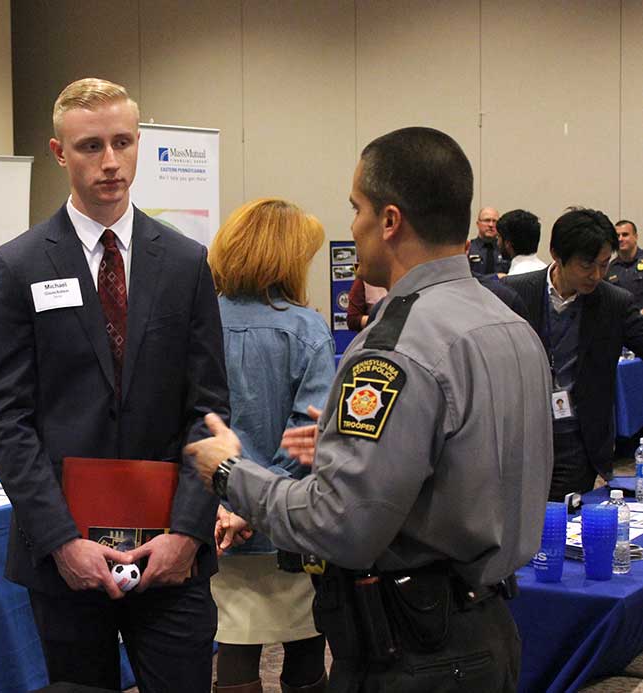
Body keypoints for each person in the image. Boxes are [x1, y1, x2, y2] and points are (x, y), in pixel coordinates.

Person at [187, 127, 553, 692]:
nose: (351, 227)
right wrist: (343, 445)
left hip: (414, 649)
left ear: (389, 221)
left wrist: (231, 474)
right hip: (488, 628)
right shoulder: (509, 324)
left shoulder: (397, 346)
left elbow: (341, 525)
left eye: (355, 209)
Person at [0, 77, 229, 691]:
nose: (110, 162)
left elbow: (210, 410)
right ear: (60, 152)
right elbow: (6, 418)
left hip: (172, 553)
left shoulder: (186, 262)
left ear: (139, 143)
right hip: (67, 559)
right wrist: (62, 540)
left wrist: (189, 534)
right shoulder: (20, 266)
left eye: (122, 142)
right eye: (91, 146)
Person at [206, 198, 332, 693]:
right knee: (304, 654)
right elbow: (309, 437)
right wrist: (256, 507)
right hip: (291, 523)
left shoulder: (197, 324)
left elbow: (186, 428)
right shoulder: (308, 330)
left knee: (233, 656)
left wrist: (227, 506)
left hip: (215, 527)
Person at [505, 208, 643, 501]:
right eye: (587, 265)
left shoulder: (615, 302)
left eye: (604, 265)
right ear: (557, 254)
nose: (596, 275)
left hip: (577, 438)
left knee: (560, 523)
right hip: (521, 434)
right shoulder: (513, 293)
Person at [606, 219, 643, 309]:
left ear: (635, 237)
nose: (620, 239)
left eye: (625, 235)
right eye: (617, 236)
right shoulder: (610, 267)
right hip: (621, 321)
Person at [497, 209, 547, 276]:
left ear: (508, 244)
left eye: (498, 237)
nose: (497, 242)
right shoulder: (547, 273)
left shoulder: (511, 280)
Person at [467, 206, 510, 276]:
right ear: (478, 224)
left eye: (495, 221)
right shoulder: (469, 249)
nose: (491, 225)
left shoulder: (506, 249)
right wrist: (495, 277)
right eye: (487, 220)